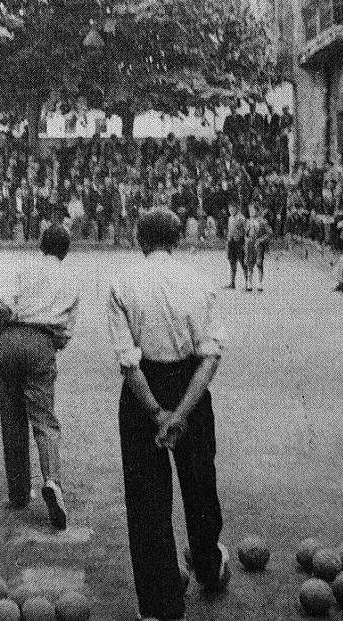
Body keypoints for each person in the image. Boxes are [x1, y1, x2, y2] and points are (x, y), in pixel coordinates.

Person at [107, 209, 230, 621]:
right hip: (190, 388)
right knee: (200, 485)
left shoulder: (122, 283)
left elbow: (128, 363)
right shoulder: (200, 282)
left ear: (139, 240)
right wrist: (181, 414)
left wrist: (159, 414)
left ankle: (161, 605)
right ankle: (210, 568)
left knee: (147, 501)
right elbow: (210, 356)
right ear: (177, 240)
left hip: (144, 396)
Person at [0, 225, 79, 530]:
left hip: (11, 337)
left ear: (41, 245)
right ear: (66, 251)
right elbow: (65, 333)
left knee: (12, 417)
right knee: (44, 419)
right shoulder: (70, 280)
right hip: (42, 341)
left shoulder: (25, 267)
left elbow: (3, 307)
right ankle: (52, 481)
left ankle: (18, 492)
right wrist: (46, 345)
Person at [243, 202, 273, 293]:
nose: (251, 212)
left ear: (257, 211)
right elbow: (244, 233)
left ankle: (260, 283)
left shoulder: (263, 221)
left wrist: (261, 240)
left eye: (253, 210)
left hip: (258, 244)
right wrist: (246, 239)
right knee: (249, 263)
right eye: (250, 210)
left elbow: (269, 233)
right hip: (249, 244)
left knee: (259, 263)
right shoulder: (247, 221)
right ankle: (249, 283)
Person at [225, 202, 246, 290]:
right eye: (230, 209)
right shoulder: (230, 218)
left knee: (242, 262)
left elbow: (246, 230)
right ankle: (232, 283)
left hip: (239, 241)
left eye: (233, 209)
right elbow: (229, 231)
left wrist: (245, 243)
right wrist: (227, 242)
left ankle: (248, 283)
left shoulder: (241, 218)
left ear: (236, 209)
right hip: (231, 242)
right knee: (232, 262)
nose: (231, 211)